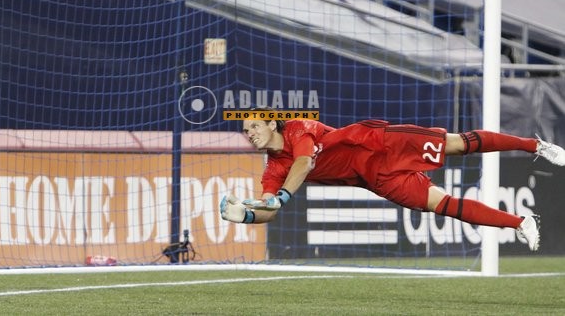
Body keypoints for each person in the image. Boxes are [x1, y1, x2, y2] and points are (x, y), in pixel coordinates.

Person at [220, 113, 565, 252]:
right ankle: (520, 222)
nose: (250, 133)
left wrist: (280, 197)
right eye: (245, 130)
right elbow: (270, 209)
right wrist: (248, 215)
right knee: (441, 205)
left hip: (381, 143)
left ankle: (535, 146)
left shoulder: (298, 128)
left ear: (272, 124)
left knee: (458, 144)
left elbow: (304, 162)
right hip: (375, 178)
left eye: (254, 126)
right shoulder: (272, 169)